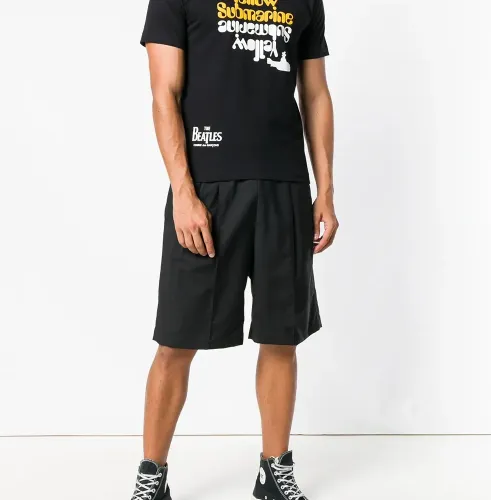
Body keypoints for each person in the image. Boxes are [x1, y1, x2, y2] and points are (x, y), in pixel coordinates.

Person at [131, 0, 338, 499]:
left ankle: (274, 471)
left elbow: (315, 93)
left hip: (284, 186)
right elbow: (164, 91)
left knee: (281, 335)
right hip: (207, 189)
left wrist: (325, 189)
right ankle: (152, 476)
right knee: (176, 340)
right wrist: (183, 193)